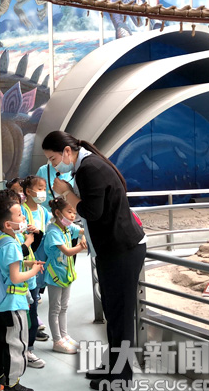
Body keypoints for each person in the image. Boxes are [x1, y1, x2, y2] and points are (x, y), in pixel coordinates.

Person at [42, 130, 146, 389]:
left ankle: (121, 377)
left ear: (67, 151)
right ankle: (113, 366)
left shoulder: (90, 168)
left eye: (53, 159)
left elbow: (92, 211)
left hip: (122, 250)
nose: (54, 166)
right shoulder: (86, 167)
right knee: (112, 311)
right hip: (111, 250)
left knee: (121, 316)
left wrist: (66, 192)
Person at [0, 197, 45, 391]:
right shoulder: (12, 244)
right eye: (19, 215)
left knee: (0, 341)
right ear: (7, 224)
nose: (23, 218)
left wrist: (28, 263)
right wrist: (34, 271)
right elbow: (15, 277)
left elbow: (6, 265)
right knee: (15, 344)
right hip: (13, 303)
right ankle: (12, 384)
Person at [44, 198, 87, 354]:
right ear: (58, 213)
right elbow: (67, 252)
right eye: (69, 212)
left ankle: (64, 336)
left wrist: (83, 237)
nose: (72, 216)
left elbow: (83, 231)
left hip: (65, 275)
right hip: (55, 275)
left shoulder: (67, 227)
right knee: (55, 308)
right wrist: (81, 246)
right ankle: (57, 340)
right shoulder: (53, 231)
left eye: (74, 213)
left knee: (64, 307)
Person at [20, 175, 52, 367]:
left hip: (38, 261)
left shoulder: (43, 211)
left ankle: (29, 348)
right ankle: (22, 348)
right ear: (28, 191)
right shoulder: (21, 211)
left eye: (44, 188)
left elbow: (46, 233)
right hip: (24, 264)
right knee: (24, 309)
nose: (43, 192)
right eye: (39, 188)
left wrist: (39, 233)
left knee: (34, 302)